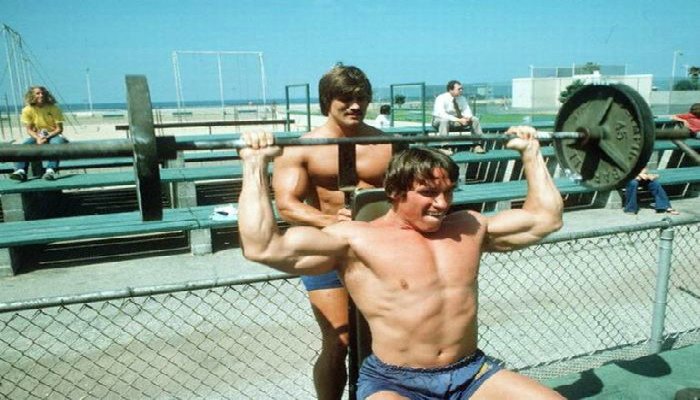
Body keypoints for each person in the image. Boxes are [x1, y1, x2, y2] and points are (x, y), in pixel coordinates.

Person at [238, 126, 565, 399]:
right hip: (394, 383)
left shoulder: (469, 227)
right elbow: (262, 247)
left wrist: (530, 152)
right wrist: (254, 166)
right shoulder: (355, 240)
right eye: (428, 192)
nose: (442, 204)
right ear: (394, 191)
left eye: (448, 191)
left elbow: (546, 219)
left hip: (471, 373)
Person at [270, 65, 393, 399]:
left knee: (379, 341)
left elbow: (408, 194)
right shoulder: (301, 148)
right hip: (327, 252)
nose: (355, 105)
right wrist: (333, 223)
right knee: (339, 341)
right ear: (328, 100)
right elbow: (287, 204)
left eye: (361, 98)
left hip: (374, 251)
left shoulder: (388, 144)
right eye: (346, 98)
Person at [9, 86, 68, 181]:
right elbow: (29, 130)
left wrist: (47, 136)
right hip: (38, 135)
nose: (41, 95)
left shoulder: (54, 108)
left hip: (53, 134)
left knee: (56, 144)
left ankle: (50, 171)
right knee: (24, 146)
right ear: (32, 96)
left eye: (43, 93)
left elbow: (59, 129)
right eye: (38, 93)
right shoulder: (27, 110)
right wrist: (38, 138)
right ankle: (20, 171)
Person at [432, 80, 485, 153]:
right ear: (451, 90)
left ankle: (477, 145)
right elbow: (442, 114)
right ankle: (445, 147)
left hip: (457, 120)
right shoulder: (441, 98)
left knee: (475, 119)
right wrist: (459, 120)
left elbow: (467, 111)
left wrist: (467, 118)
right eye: (459, 89)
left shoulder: (462, 98)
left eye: (461, 88)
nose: (461, 90)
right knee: (444, 120)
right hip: (439, 121)